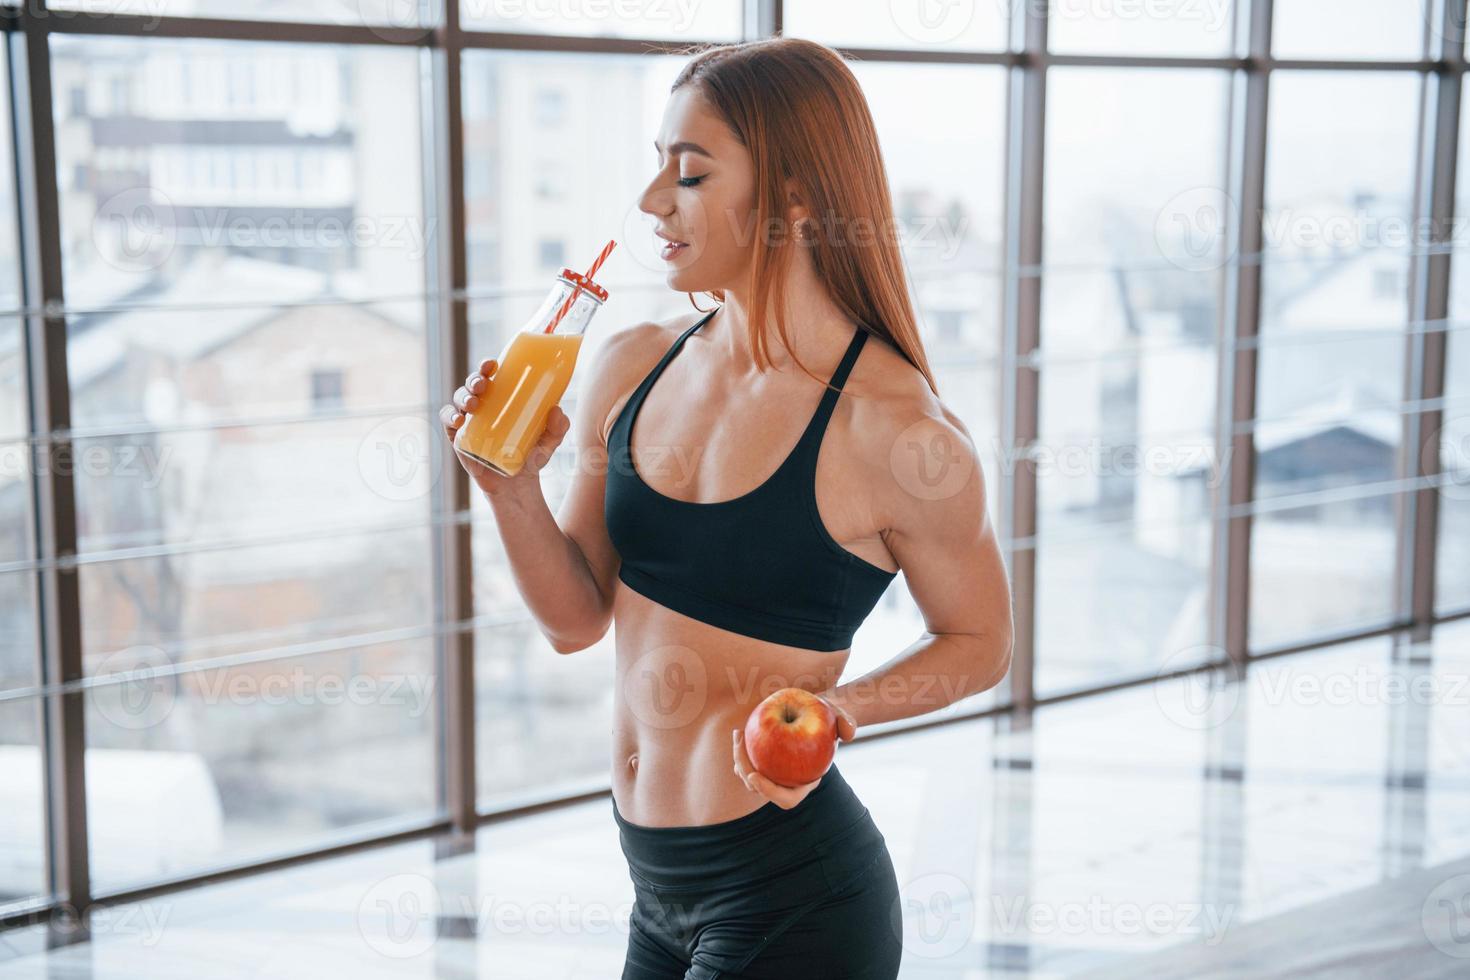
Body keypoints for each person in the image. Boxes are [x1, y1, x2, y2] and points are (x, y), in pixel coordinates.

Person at [440, 35, 1013, 980]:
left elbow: (981, 641)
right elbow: (576, 619)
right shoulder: (631, 364)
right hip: (655, 896)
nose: (652, 201)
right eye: (657, 165)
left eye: (691, 174)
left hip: (798, 898)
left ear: (792, 194)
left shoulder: (896, 432)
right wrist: (508, 489)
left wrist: (843, 712)